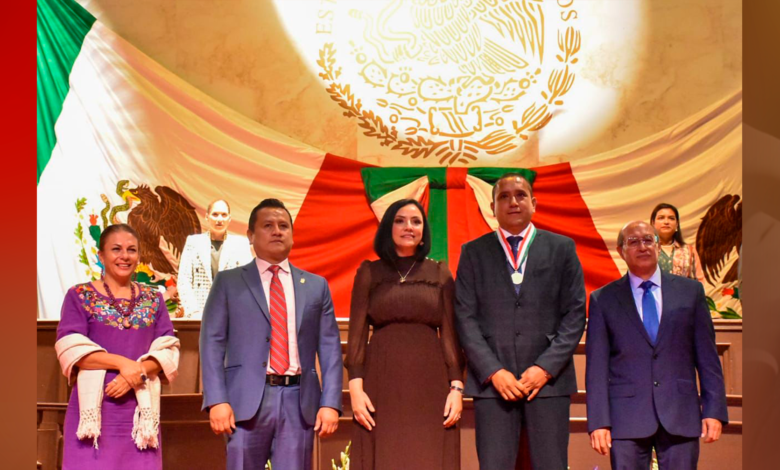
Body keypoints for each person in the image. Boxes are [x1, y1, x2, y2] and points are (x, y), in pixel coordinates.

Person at [454, 173, 586, 470]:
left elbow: (576, 313)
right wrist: (493, 371)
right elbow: (464, 317)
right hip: (493, 386)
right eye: (504, 197)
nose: (513, 202)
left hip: (548, 383)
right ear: (492, 207)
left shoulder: (562, 248)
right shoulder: (473, 252)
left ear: (534, 203)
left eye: (520, 195)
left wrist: (545, 368)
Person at [200, 198, 343, 470]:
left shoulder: (316, 286)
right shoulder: (229, 283)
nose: (277, 231)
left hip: (299, 403)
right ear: (250, 235)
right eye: (268, 226)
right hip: (244, 403)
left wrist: (331, 403)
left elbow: (330, 348)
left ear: (292, 235)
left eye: (283, 226)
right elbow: (211, 344)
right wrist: (217, 400)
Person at [586, 221, 728, 470]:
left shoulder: (690, 292)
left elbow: (708, 358)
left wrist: (714, 410)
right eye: (633, 242)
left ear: (657, 246)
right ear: (621, 251)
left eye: (648, 240)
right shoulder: (603, 299)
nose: (642, 246)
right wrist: (598, 422)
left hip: (680, 412)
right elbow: (596, 367)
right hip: (626, 417)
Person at [346, 198, 465, 470]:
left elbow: (450, 335)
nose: (408, 227)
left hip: (430, 385)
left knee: (428, 456)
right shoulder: (369, 272)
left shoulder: (440, 273)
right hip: (380, 383)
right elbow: (356, 337)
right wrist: (355, 390)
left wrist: (456, 388)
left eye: (416, 221)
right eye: (400, 221)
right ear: (388, 227)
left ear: (424, 230)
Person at [55, 224, 180, 470]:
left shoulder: (154, 299)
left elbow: (167, 350)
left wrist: (136, 373)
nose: (125, 256)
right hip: (93, 414)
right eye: (116, 249)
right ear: (101, 256)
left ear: (139, 256)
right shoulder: (79, 295)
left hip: (140, 415)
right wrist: (124, 365)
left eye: (131, 250)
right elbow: (71, 349)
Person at [177, 199, 253, 319]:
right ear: (207, 217)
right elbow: (184, 280)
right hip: (199, 314)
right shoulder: (193, 242)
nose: (219, 219)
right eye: (215, 214)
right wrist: (193, 311)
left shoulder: (240, 244)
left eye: (224, 215)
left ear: (229, 218)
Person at [650, 203, 704, 281]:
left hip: (684, 289)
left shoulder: (689, 250)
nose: (666, 222)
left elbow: (700, 281)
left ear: (677, 224)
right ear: (653, 223)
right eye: (661, 218)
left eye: (671, 218)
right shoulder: (646, 250)